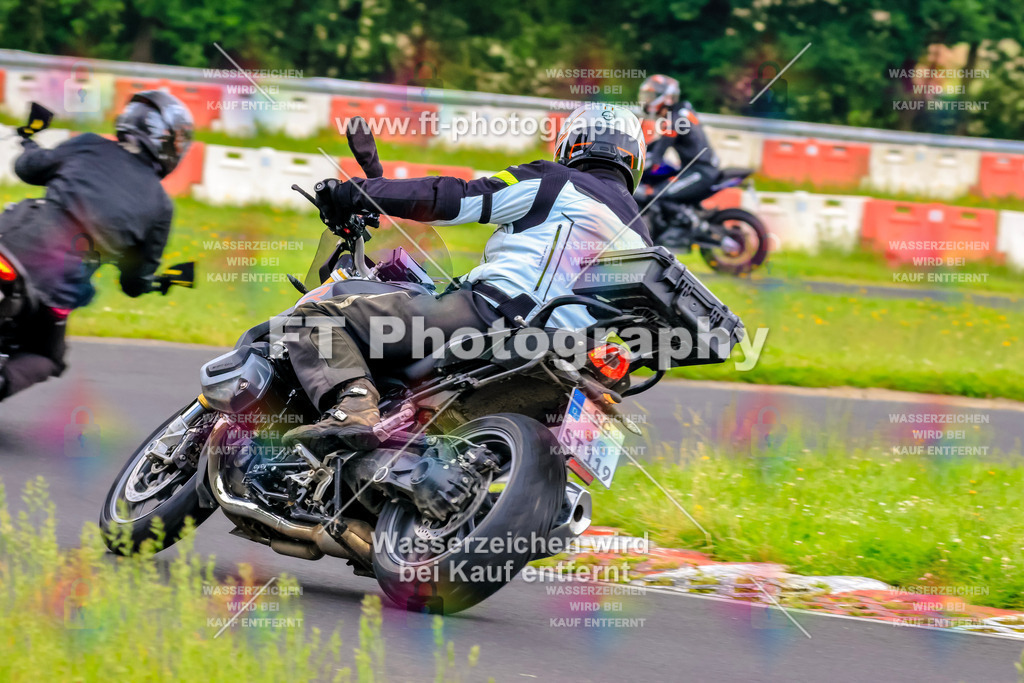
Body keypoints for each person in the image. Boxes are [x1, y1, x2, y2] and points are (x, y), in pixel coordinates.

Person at [282, 103, 650, 456]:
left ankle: (356, 409)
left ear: (570, 144)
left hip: (493, 318)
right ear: (634, 160)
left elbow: (452, 198)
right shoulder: (643, 236)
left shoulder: (553, 181)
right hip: (575, 357)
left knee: (316, 316)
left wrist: (357, 192)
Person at [0, 91, 193, 400]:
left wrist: (28, 142)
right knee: (49, 356)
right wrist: (159, 282)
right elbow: (134, 281)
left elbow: (27, 169)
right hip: (53, 288)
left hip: (8, 243)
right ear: (166, 143)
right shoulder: (159, 205)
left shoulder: (88, 144)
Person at [636, 74, 721, 246]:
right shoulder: (680, 112)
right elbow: (658, 144)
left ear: (666, 96)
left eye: (651, 96)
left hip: (701, 171)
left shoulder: (675, 119)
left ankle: (683, 231)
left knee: (658, 193)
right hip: (697, 168)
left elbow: (660, 151)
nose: (647, 101)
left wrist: (642, 164)